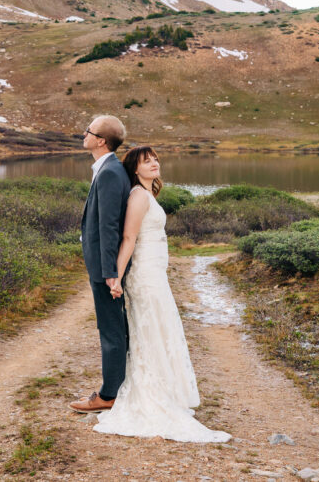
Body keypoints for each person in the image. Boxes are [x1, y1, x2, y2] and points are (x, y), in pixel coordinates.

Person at [92, 145, 231, 443]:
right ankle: (150, 393)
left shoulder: (147, 194)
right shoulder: (139, 196)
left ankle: (162, 390)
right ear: (135, 169)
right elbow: (128, 238)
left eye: (155, 159)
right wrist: (114, 276)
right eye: (146, 161)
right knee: (151, 330)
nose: (154, 164)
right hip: (145, 276)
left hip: (155, 274)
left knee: (158, 329)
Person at [69, 115, 131, 413]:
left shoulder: (108, 172)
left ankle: (108, 395)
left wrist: (110, 273)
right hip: (106, 266)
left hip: (106, 270)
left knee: (110, 329)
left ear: (101, 140)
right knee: (114, 327)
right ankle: (119, 387)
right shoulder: (108, 168)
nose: (85, 134)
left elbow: (109, 227)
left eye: (89, 131)